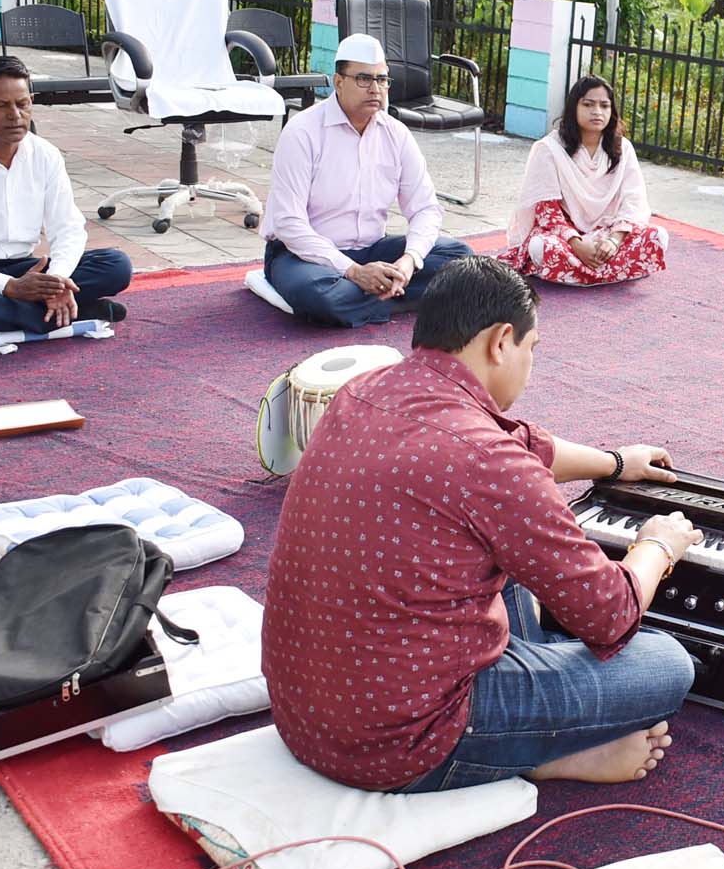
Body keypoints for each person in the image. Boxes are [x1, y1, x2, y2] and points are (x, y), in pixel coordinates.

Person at [263, 256, 699, 792]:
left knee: (496, 540)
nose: (530, 364)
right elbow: (609, 614)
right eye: (532, 350)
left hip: (304, 717)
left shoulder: (362, 391)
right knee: (666, 665)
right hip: (397, 744)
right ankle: (528, 748)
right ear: (501, 342)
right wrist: (658, 544)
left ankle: (526, 726)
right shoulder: (490, 462)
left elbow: (524, 446)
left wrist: (615, 461)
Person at [259, 33, 475, 326]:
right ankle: (401, 298)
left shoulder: (396, 134)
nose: (375, 89)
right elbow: (288, 223)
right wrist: (352, 270)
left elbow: (425, 208)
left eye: (382, 79)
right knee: (318, 294)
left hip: (372, 248)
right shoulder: (303, 132)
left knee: (461, 259)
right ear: (338, 82)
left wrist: (408, 262)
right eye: (364, 79)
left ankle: (374, 293)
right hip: (306, 256)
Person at [0, 55, 132, 341]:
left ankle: (6, 318)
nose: (15, 116)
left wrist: (55, 281)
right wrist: (9, 286)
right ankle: (79, 312)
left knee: (116, 265)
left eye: (22, 104)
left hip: (27, 268)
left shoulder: (45, 154)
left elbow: (67, 228)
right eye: (1, 106)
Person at [501, 75, 668, 285]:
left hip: (608, 233)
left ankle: (581, 274)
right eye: (588, 104)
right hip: (566, 238)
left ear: (612, 111)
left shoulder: (622, 148)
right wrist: (578, 245)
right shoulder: (550, 149)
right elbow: (546, 209)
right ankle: (613, 271)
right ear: (574, 108)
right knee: (540, 247)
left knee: (658, 237)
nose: (597, 111)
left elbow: (633, 202)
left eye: (604, 105)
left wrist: (614, 241)